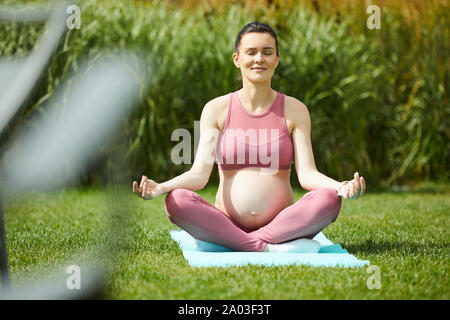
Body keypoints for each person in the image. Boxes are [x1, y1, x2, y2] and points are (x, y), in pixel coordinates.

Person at [132, 21, 366, 253]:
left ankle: (231, 242)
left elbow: (307, 175)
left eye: (267, 52)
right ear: (237, 59)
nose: (259, 59)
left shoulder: (295, 110)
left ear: (277, 59)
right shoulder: (216, 109)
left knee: (329, 200)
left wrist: (341, 186)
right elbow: (199, 175)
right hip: (227, 221)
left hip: (281, 223)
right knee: (177, 201)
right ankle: (268, 247)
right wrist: (161, 187)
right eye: (251, 52)